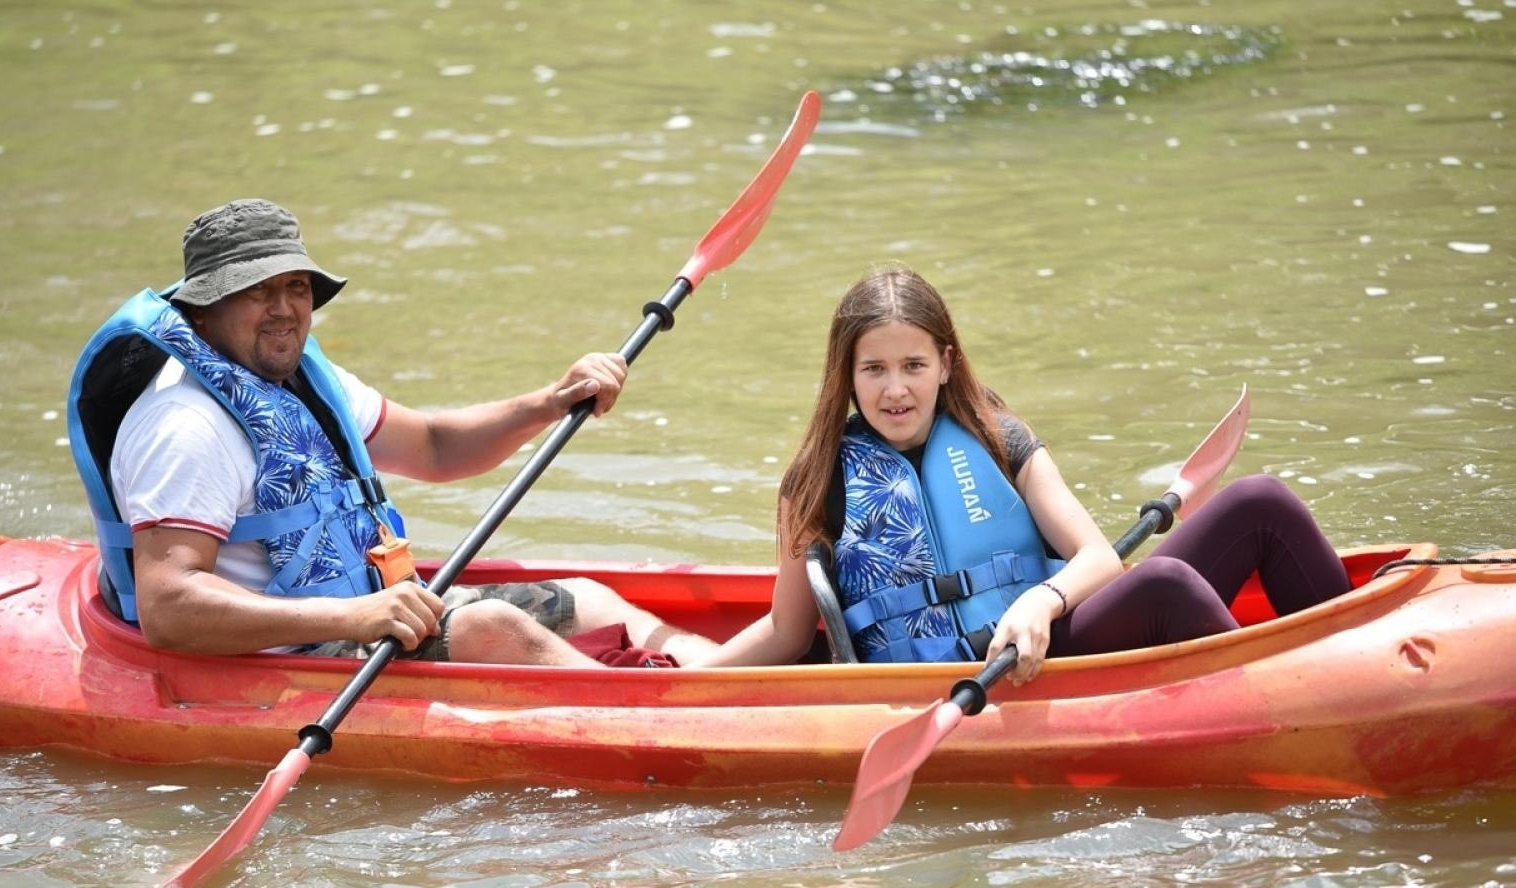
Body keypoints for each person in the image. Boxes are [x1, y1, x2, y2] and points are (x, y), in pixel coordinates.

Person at [68, 197, 715, 667]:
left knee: (592, 602)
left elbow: (433, 446)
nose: (285, 309)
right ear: (202, 313)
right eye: (255, 292)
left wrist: (550, 401)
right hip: (282, 653)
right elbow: (171, 608)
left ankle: (732, 681)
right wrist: (353, 616)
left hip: (366, 608)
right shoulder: (184, 426)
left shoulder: (301, 383)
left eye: (295, 287)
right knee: (492, 625)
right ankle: (663, 724)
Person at [686, 265, 1352, 677]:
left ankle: (1354, 665)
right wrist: (685, 686)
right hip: (965, 677)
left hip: (1045, 637)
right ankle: (1278, 705)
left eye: (913, 366)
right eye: (874, 369)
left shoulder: (994, 435)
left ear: (945, 363)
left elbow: (1095, 559)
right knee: (1168, 585)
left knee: (1259, 502)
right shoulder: (816, 479)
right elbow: (789, 633)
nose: (896, 390)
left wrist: (1042, 599)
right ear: (847, 376)